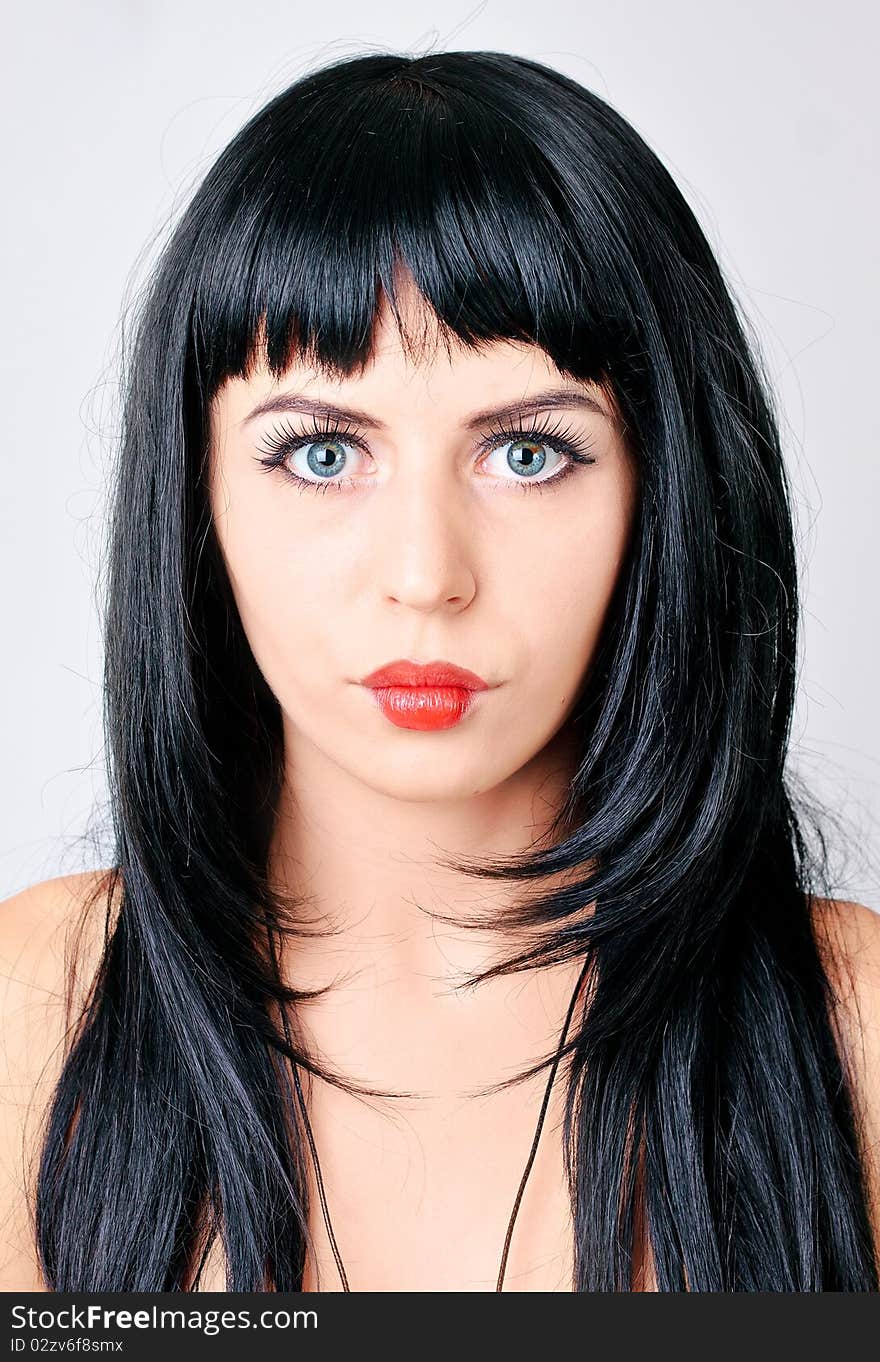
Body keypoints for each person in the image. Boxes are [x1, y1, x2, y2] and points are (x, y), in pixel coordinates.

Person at [1, 48, 878, 1294]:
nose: (425, 574)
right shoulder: (33, 1020)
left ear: (661, 490)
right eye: (318, 453)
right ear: (195, 497)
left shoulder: (855, 1038)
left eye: (526, 453)